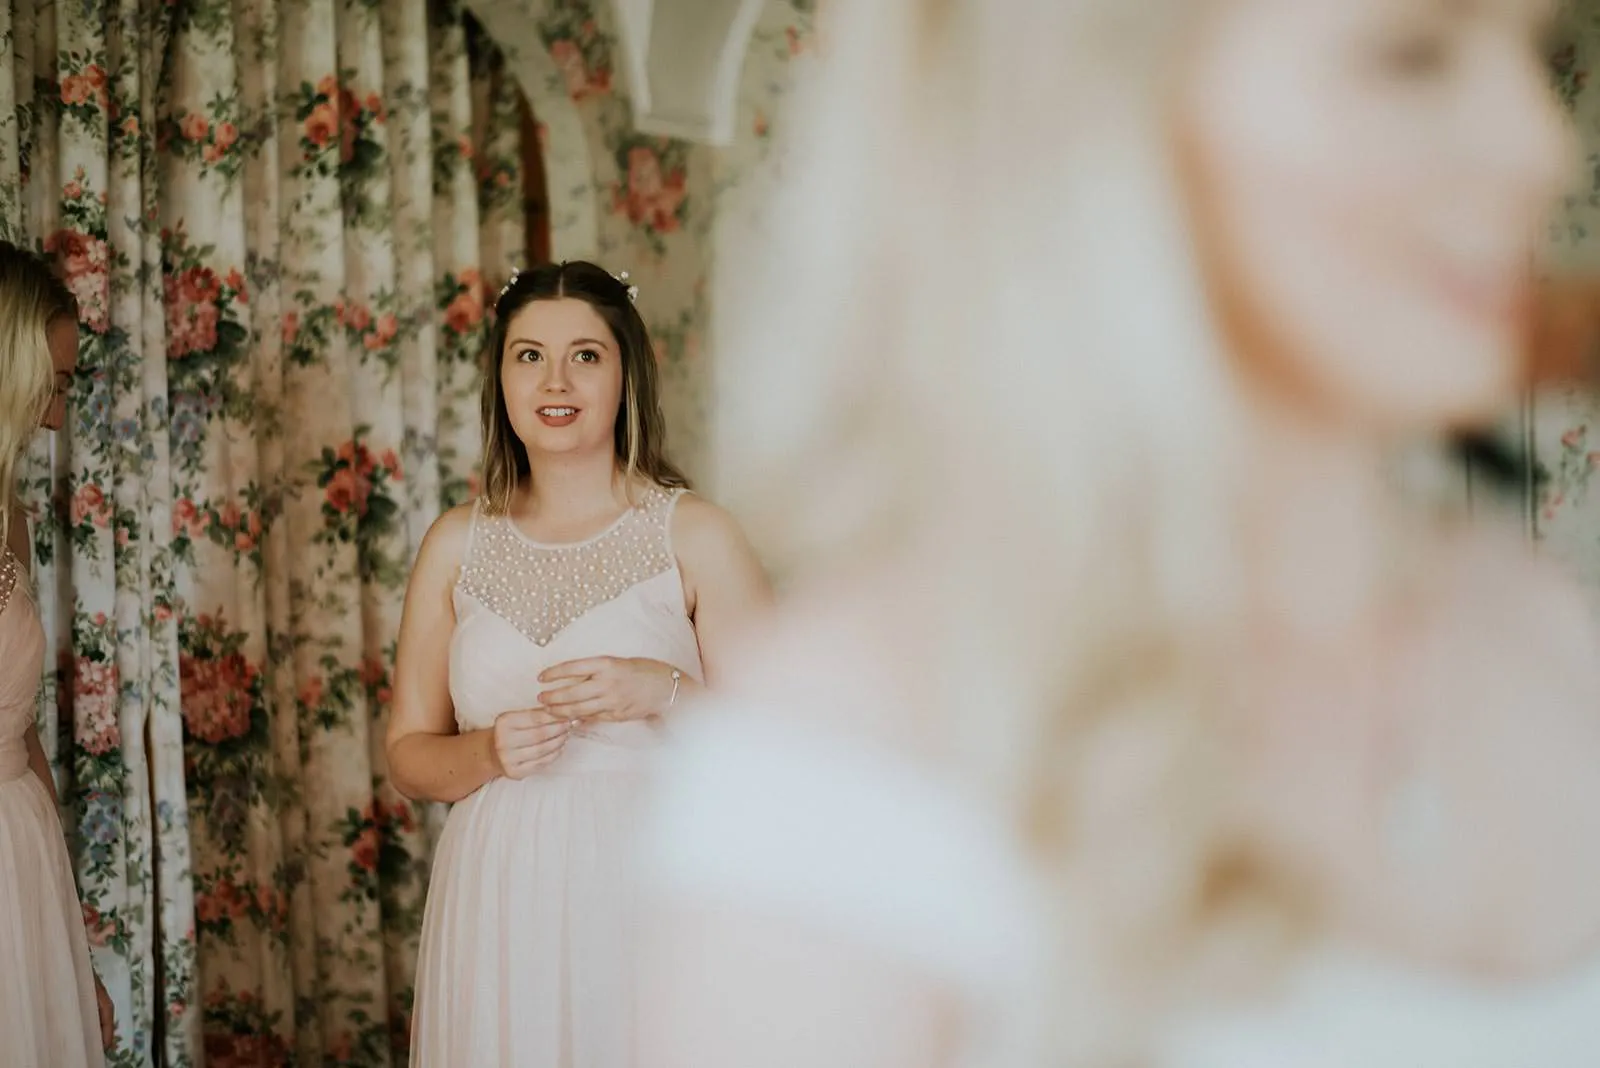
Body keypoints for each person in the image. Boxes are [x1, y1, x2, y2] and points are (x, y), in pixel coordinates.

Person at [636, 1, 1600, 1065]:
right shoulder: (857, 752)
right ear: (1097, 112)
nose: (1538, 142)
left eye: (1535, 52)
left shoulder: (1545, 633)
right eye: (1408, 56)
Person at [387, 260, 770, 1066]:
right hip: (496, 894)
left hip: (655, 886)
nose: (554, 380)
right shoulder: (456, 542)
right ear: (499, 378)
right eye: (529, 355)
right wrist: (487, 751)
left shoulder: (697, 534)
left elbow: (784, 751)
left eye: (585, 356)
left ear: (627, 373)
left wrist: (662, 690)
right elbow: (410, 755)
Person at [0, 239, 115, 1063]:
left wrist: (74, 955)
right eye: (56, 383)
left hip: (22, 847)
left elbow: (23, 726)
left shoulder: (13, 520)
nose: (56, 413)